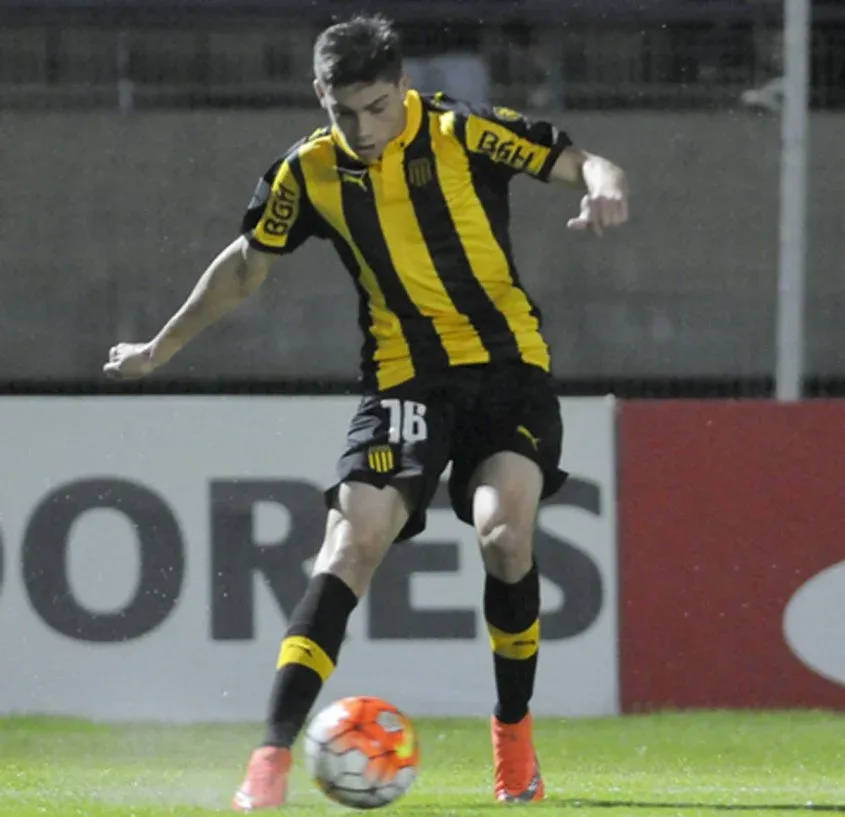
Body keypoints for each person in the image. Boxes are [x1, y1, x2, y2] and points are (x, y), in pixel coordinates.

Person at [103, 14, 628, 811]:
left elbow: (582, 160)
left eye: (377, 107)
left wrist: (604, 187)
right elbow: (245, 266)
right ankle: (269, 760)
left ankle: (512, 738)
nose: (362, 128)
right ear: (320, 96)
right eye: (342, 111)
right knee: (351, 543)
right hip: (403, 382)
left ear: (402, 87)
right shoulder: (307, 171)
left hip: (506, 371)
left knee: (503, 534)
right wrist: (159, 348)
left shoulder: (462, 132)